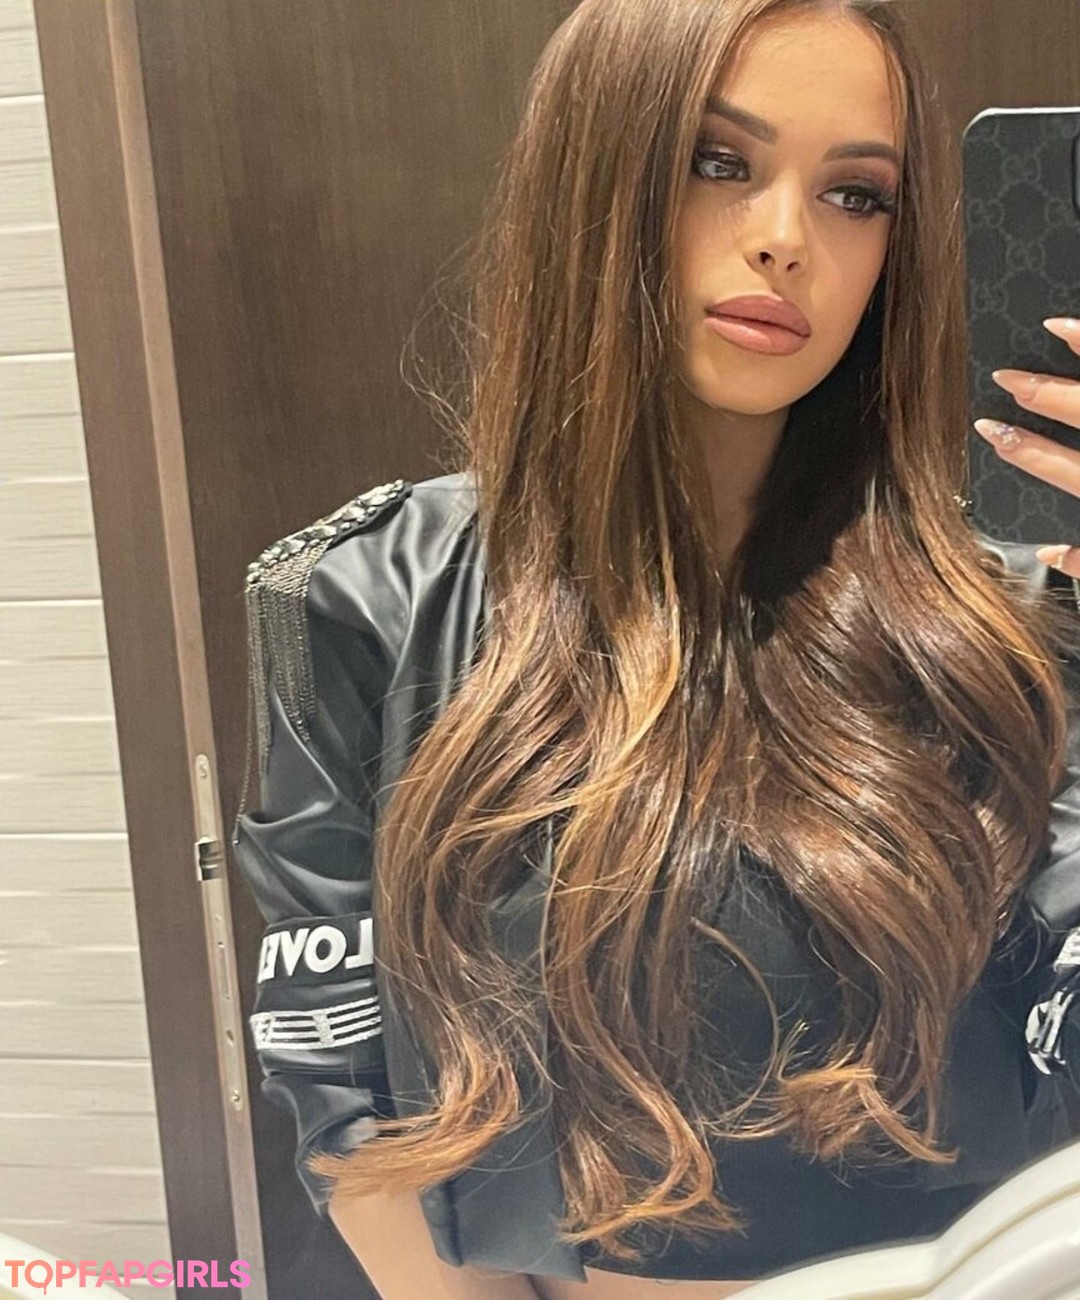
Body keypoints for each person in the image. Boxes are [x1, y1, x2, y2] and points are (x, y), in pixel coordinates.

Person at [231, 0, 1080, 1296]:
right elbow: (350, 1102)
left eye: (857, 195)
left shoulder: (1013, 622)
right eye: (717, 162)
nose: (786, 237)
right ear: (596, 176)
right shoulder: (364, 601)